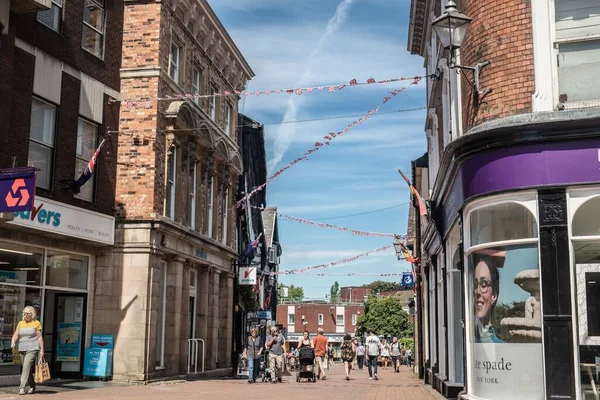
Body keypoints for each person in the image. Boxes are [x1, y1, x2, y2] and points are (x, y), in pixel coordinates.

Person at [11, 306, 44, 395]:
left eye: (28, 313)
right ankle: (32, 386)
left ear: (32, 314)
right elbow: (16, 335)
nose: (26, 315)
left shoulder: (36, 323)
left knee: (26, 366)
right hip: (22, 348)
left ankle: (22, 387)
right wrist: (13, 342)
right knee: (27, 369)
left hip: (33, 348)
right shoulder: (20, 323)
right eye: (24, 313)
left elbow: (40, 337)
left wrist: (42, 350)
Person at [473, 254, 504, 343]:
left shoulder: (502, 346)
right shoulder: (467, 340)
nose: (477, 292)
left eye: (484, 285)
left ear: (494, 296)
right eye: (475, 285)